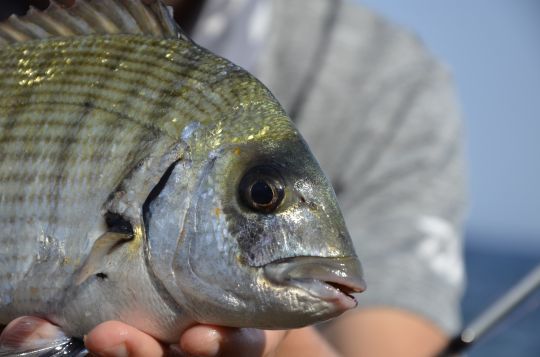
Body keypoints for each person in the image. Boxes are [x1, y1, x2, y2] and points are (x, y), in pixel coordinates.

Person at [0, 0, 467, 356]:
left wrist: (283, 348)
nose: (264, 199)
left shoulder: (383, 82)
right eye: (263, 196)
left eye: (260, 195)